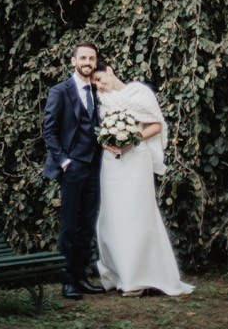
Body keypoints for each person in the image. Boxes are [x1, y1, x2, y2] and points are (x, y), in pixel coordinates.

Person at [92, 61, 194, 297]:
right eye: (94, 83)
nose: (99, 85)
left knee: (138, 213)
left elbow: (156, 125)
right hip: (112, 163)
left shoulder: (139, 92)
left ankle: (139, 277)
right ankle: (120, 274)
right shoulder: (103, 102)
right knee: (113, 216)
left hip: (136, 159)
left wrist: (132, 138)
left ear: (110, 70)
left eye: (99, 79)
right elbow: (101, 130)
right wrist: (108, 141)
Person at [42, 42, 105, 301]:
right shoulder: (60, 91)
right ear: (73, 61)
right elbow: (49, 130)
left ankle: (81, 277)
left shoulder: (99, 90)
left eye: (91, 58)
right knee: (69, 225)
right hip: (73, 167)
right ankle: (67, 281)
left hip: (95, 167)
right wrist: (64, 161)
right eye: (83, 57)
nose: (87, 61)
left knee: (87, 225)